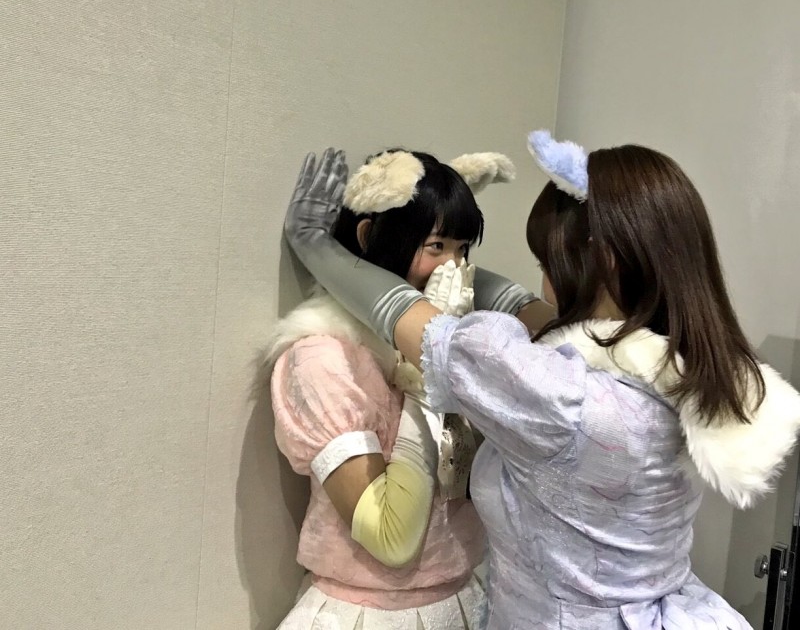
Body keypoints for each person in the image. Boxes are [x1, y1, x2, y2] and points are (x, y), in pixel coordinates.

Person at [282, 135, 800, 629]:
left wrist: (315, 245)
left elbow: (427, 327)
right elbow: (535, 314)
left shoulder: (561, 395)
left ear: (604, 261)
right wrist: (439, 237)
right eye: (439, 248)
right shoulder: (687, 364)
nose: (545, 283)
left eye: (547, 263)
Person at [267, 147, 522, 628]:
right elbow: (390, 537)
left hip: (464, 598)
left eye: (463, 251)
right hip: (368, 611)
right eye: (436, 247)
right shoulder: (327, 360)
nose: (453, 269)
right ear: (369, 236)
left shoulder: (464, 344)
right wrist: (428, 381)